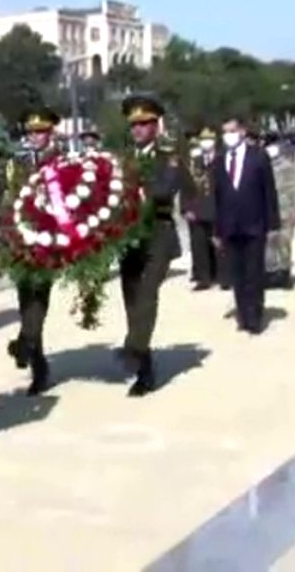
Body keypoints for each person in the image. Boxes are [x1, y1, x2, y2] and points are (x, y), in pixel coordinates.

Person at [117, 94, 182, 397]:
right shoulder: (124, 159)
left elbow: (165, 189)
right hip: (130, 238)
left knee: (146, 293)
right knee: (132, 301)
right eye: (135, 125)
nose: (139, 130)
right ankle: (145, 370)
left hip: (159, 234)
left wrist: (137, 194)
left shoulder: (168, 155)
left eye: (145, 124)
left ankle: (134, 347)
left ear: (156, 126)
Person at [2, 107, 61, 395]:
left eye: (41, 131)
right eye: (32, 132)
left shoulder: (62, 161)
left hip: (50, 240)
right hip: (22, 240)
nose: (35, 137)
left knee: (39, 299)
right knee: (26, 299)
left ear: (51, 132)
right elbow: (11, 196)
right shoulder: (19, 162)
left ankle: (27, 344)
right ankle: (39, 364)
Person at [214, 119, 280, 335]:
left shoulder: (258, 156)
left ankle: (255, 317)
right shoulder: (220, 159)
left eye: (232, 131)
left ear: (242, 132)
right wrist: (217, 230)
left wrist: (273, 224)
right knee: (237, 274)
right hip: (230, 226)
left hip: (255, 224)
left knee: (254, 272)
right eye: (224, 132)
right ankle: (243, 315)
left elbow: (269, 191)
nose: (228, 136)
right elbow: (217, 197)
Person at [181, 127, 219, 290]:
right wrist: (185, 208)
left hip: (217, 208)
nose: (206, 142)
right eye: (203, 140)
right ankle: (204, 278)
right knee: (199, 246)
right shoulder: (193, 162)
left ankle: (222, 276)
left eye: (209, 139)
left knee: (219, 245)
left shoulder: (221, 160)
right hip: (197, 209)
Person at [263, 131, 295, 289]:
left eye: (273, 144)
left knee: (284, 243)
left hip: (286, 210)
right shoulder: (261, 165)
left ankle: (285, 273)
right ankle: (271, 274)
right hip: (267, 211)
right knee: (268, 244)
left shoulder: (287, 165)